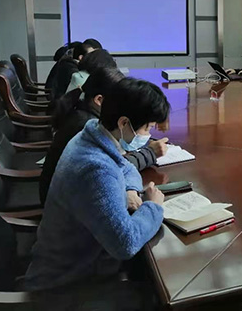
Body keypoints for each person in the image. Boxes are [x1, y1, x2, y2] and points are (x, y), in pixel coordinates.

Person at [25, 77, 170, 292]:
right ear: (123, 123)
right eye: (147, 128)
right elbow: (126, 243)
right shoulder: (95, 170)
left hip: (81, 261)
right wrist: (153, 207)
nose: (148, 136)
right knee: (156, 289)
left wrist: (130, 190)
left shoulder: (93, 135)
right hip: (66, 286)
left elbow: (126, 167)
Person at [40, 68, 168, 204]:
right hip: (64, 203)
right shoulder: (84, 126)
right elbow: (113, 167)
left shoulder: (87, 117)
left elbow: (121, 166)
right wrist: (150, 153)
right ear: (99, 100)